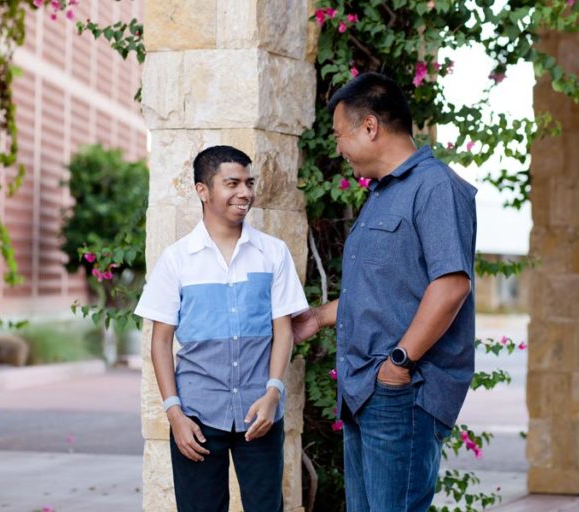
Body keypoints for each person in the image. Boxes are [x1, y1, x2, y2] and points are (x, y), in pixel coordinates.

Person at [293, 72, 478, 511]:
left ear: (370, 127)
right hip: (366, 392)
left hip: (402, 391)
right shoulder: (383, 194)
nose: (338, 147)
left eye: (341, 134)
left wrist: (399, 363)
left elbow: (452, 284)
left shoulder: (435, 187)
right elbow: (384, 291)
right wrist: (318, 318)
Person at [135, 145, 308, 512]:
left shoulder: (273, 253)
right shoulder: (177, 260)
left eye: (249, 182)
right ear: (203, 190)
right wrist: (174, 414)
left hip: (259, 413)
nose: (245, 192)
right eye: (232, 183)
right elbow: (160, 342)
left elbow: (284, 330)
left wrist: (274, 392)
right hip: (197, 417)